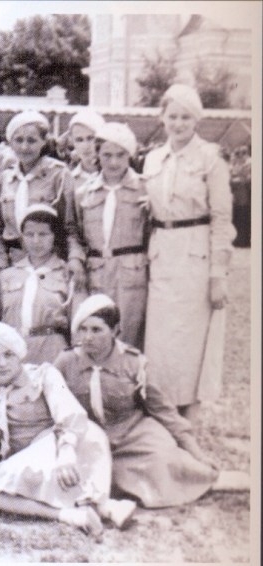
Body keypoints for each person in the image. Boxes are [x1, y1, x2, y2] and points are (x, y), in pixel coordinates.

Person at [55, 294, 249, 509]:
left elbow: (164, 411)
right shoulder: (66, 362)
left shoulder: (134, 363)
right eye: (83, 329)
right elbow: (51, 405)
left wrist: (197, 453)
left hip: (131, 434)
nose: (88, 337)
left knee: (164, 458)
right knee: (75, 469)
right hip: (88, 437)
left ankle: (205, 478)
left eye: (96, 330)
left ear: (115, 330)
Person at [0, 322, 132, 538]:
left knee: (82, 440)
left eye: (8, 355)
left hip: (65, 449)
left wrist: (66, 452)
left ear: (19, 355)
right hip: (31, 463)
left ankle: (104, 506)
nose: (2, 363)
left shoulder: (44, 375)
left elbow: (68, 411)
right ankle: (70, 515)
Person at [142, 84, 234, 422]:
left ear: (196, 120)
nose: (178, 124)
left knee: (190, 339)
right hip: (161, 255)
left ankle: (189, 415)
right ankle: (164, 412)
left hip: (196, 256)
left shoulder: (211, 158)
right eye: (172, 116)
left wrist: (218, 274)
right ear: (162, 118)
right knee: (161, 340)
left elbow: (222, 218)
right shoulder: (153, 159)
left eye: (185, 117)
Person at [0, 111, 83, 289]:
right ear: (10, 143)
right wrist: (1, 262)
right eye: (18, 140)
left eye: (31, 140)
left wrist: (74, 258)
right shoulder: (7, 178)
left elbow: (71, 226)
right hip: (14, 261)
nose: (25, 147)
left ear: (43, 141)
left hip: (50, 262)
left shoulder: (59, 174)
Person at [74, 123, 149, 348]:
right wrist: (76, 261)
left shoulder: (145, 188)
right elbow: (75, 233)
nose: (113, 162)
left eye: (120, 155)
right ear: (97, 154)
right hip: (96, 272)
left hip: (132, 274)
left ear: (130, 155)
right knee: (95, 334)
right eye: (107, 155)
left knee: (129, 337)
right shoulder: (84, 192)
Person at [0, 205, 77, 364]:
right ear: (22, 237)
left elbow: (77, 325)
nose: (36, 241)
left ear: (54, 236)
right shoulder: (7, 275)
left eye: (43, 234)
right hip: (14, 351)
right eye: (29, 234)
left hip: (53, 350)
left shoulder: (66, 274)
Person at [66, 110, 106, 194]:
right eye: (79, 140)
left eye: (90, 138)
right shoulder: (67, 178)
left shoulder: (116, 174)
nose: (85, 146)